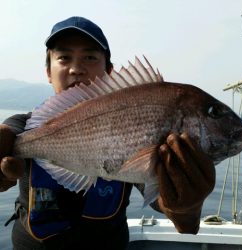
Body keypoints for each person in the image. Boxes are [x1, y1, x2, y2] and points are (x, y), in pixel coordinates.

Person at [0, 16, 215, 250]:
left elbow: (175, 214)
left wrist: (187, 209)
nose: (76, 69)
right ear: (48, 72)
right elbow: (8, 135)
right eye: (64, 57)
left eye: (90, 57)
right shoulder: (24, 125)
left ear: (109, 71)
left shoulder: (131, 121)